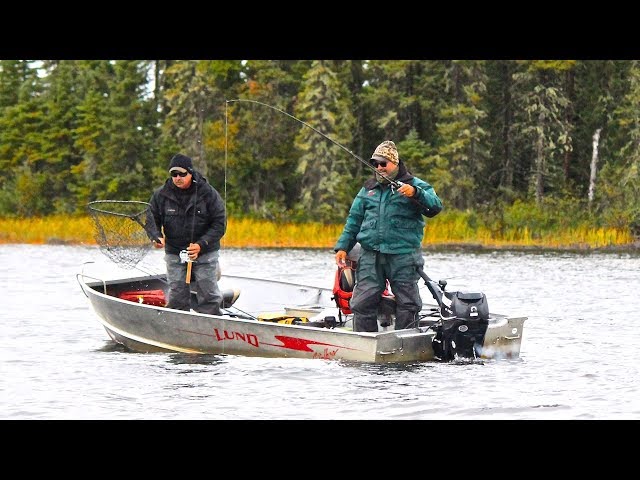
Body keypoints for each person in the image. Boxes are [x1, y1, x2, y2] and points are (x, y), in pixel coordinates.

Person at [334, 140, 443, 332]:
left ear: (395, 163)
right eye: (375, 164)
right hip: (370, 255)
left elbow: (435, 207)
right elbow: (354, 220)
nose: (379, 168)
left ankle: (405, 343)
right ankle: (365, 346)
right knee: (361, 302)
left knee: (408, 303)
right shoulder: (368, 189)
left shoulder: (416, 185)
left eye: (383, 163)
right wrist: (343, 247)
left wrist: (416, 193)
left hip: (404, 256)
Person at [146, 153, 227, 315]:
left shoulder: (208, 193)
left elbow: (220, 224)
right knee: (176, 292)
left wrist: (200, 245)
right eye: (174, 174)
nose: (178, 178)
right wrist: (156, 236)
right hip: (175, 252)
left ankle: (212, 324)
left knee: (208, 291)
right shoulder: (161, 195)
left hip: (205, 251)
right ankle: (177, 323)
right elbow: (151, 219)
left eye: (182, 174)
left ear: (191, 173)